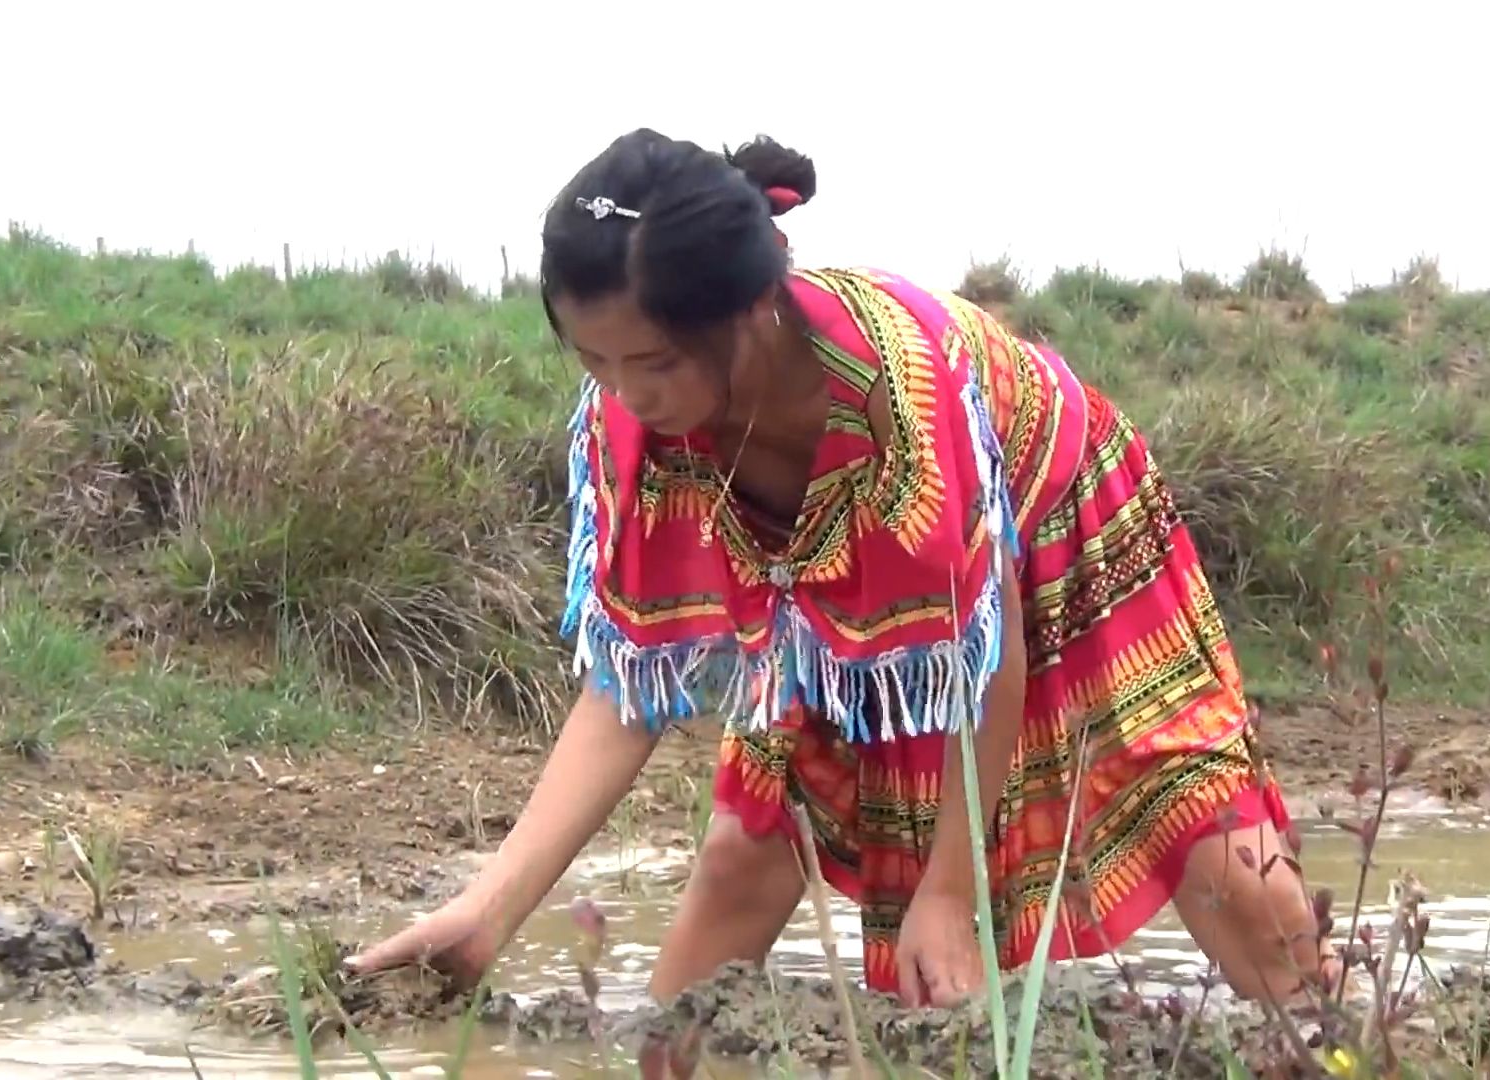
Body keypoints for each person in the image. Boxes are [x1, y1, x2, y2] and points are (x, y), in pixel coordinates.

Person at [347, 129, 1329, 1008]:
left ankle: (1339, 1029)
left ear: (750, 310)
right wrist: (489, 909)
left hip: (1066, 522)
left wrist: (948, 896)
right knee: (744, 847)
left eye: (652, 362)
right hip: (823, 572)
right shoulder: (637, 432)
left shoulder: (901, 402)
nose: (626, 396)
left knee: (1217, 853)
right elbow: (629, 690)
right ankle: (666, 1049)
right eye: (596, 363)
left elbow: (984, 661)